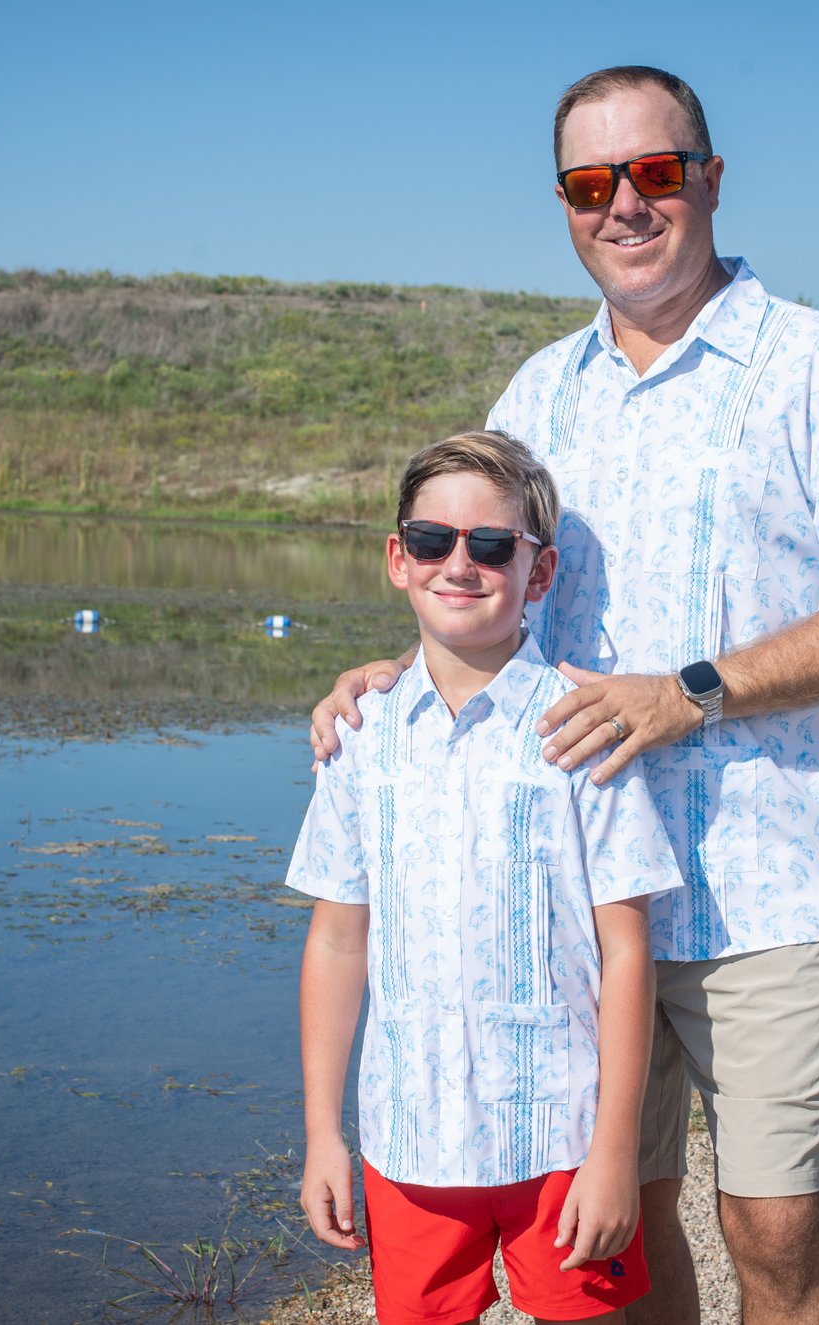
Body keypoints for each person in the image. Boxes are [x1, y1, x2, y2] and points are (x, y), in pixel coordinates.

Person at [309, 67, 819, 1325]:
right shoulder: (536, 395)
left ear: (707, 179)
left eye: (652, 174)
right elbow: (480, 575)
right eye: (589, 184)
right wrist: (387, 675)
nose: (624, 206)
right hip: (575, 902)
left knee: (770, 1221)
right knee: (621, 1228)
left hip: (766, 875)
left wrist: (689, 692)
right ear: (562, 203)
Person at [290, 429, 683, 1325]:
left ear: (537, 573)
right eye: (432, 541)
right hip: (409, 1141)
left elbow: (626, 953)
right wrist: (323, 1134)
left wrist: (613, 1150)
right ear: (399, 558)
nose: (458, 564)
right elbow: (337, 939)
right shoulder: (359, 736)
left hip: (557, 1136)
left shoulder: (581, 732)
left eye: (491, 546)